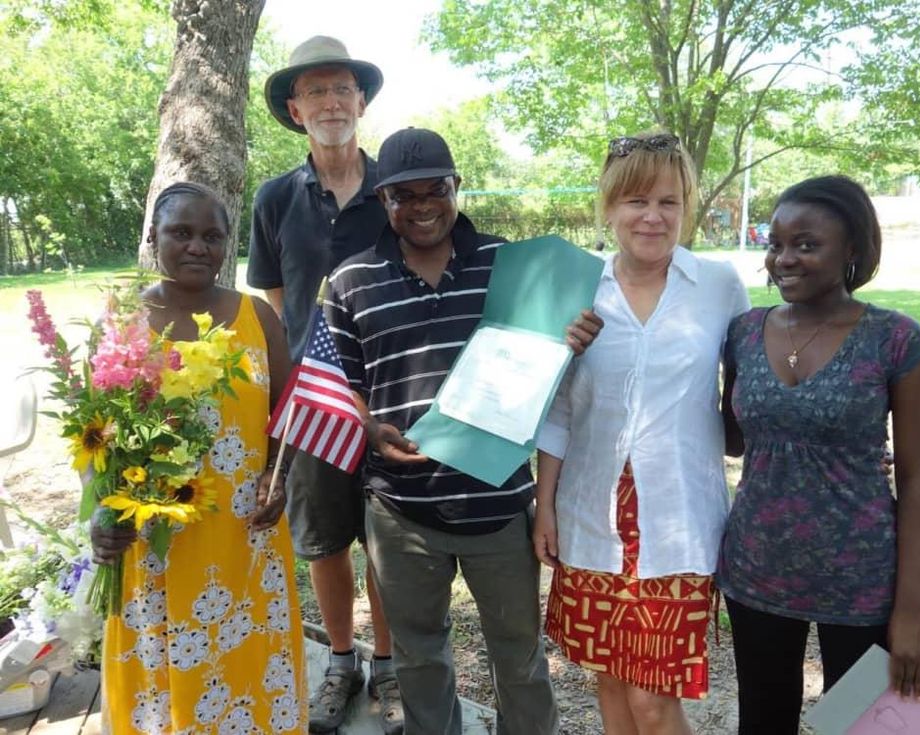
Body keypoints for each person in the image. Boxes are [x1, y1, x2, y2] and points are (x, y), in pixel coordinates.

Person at [324, 127, 603, 735]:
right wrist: (369, 428)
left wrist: (573, 343)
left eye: (436, 190)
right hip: (400, 513)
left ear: (457, 187)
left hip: (497, 502)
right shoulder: (350, 282)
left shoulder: (512, 266)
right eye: (404, 195)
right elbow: (345, 383)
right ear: (382, 200)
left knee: (520, 659)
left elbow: (551, 369)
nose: (423, 206)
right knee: (420, 658)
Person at [532, 132, 751, 734]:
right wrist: (544, 505)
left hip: (678, 521)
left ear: (688, 207)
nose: (652, 216)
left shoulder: (719, 286)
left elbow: (753, 394)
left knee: (655, 699)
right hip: (590, 516)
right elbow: (559, 412)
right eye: (635, 201)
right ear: (608, 207)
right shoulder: (578, 289)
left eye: (669, 201)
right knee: (607, 677)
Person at [717, 175, 920, 734]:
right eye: (775, 244)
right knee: (763, 720)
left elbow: (915, 485)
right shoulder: (743, 332)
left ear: (853, 251)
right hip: (757, 568)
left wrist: (910, 613)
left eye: (806, 245)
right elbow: (731, 437)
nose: (783, 259)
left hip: (860, 576)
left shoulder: (896, 341)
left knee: (860, 724)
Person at [92, 182, 306, 733]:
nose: (197, 247)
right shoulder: (122, 322)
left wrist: (275, 479)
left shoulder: (257, 316)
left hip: (243, 535)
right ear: (153, 238)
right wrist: (101, 512)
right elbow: (96, 431)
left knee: (246, 674)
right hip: (152, 542)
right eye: (181, 233)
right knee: (161, 689)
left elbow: (284, 417)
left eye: (212, 236)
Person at [246, 36, 402, 733]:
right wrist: (279, 406)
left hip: (393, 393)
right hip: (314, 400)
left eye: (343, 88)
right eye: (316, 91)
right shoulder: (275, 198)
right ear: (294, 107)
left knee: (388, 537)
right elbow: (276, 310)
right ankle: (341, 659)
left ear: (361, 101)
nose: (332, 101)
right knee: (324, 538)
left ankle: (390, 663)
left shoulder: (396, 190)